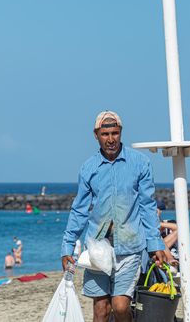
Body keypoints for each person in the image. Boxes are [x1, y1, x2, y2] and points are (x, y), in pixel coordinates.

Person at [61, 110, 166, 322]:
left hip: (130, 246)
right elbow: (79, 210)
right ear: (96, 135)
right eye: (105, 133)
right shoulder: (88, 168)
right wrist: (67, 247)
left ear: (121, 133)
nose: (110, 139)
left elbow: (147, 205)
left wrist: (155, 244)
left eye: (115, 133)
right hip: (98, 249)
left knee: (119, 307)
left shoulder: (140, 163)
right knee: (100, 309)